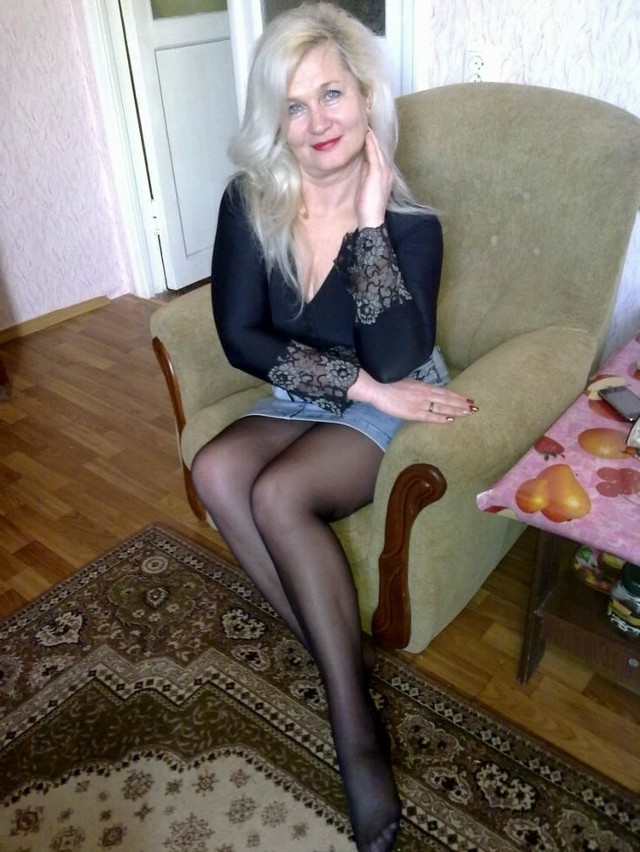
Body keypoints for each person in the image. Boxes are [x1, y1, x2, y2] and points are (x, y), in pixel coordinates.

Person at [191, 4, 478, 850]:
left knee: (279, 494)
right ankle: (338, 653)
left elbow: (395, 361)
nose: (317, 121)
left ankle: (356, 732)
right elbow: (242, 338)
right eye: (293, 104)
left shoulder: (412, 227)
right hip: (313, 389)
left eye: (331, 94)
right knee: (215, 471)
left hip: (394, 393)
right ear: (273, 121)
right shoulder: (250, 204)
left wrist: (371, 224)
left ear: (365, 98)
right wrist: (357, 387)